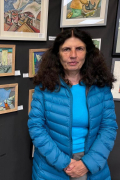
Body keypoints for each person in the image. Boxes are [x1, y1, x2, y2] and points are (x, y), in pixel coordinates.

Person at [28, 28, 118, 180]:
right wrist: (64, 162)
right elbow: (36, 127)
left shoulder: (100, 87)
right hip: (52, 167)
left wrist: (87, 164)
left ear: (88, 53)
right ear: (57, 54)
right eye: (66, 49)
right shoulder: (45, 86)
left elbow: (108, 127)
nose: (73, 55)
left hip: (91, 164)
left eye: (79, 49)